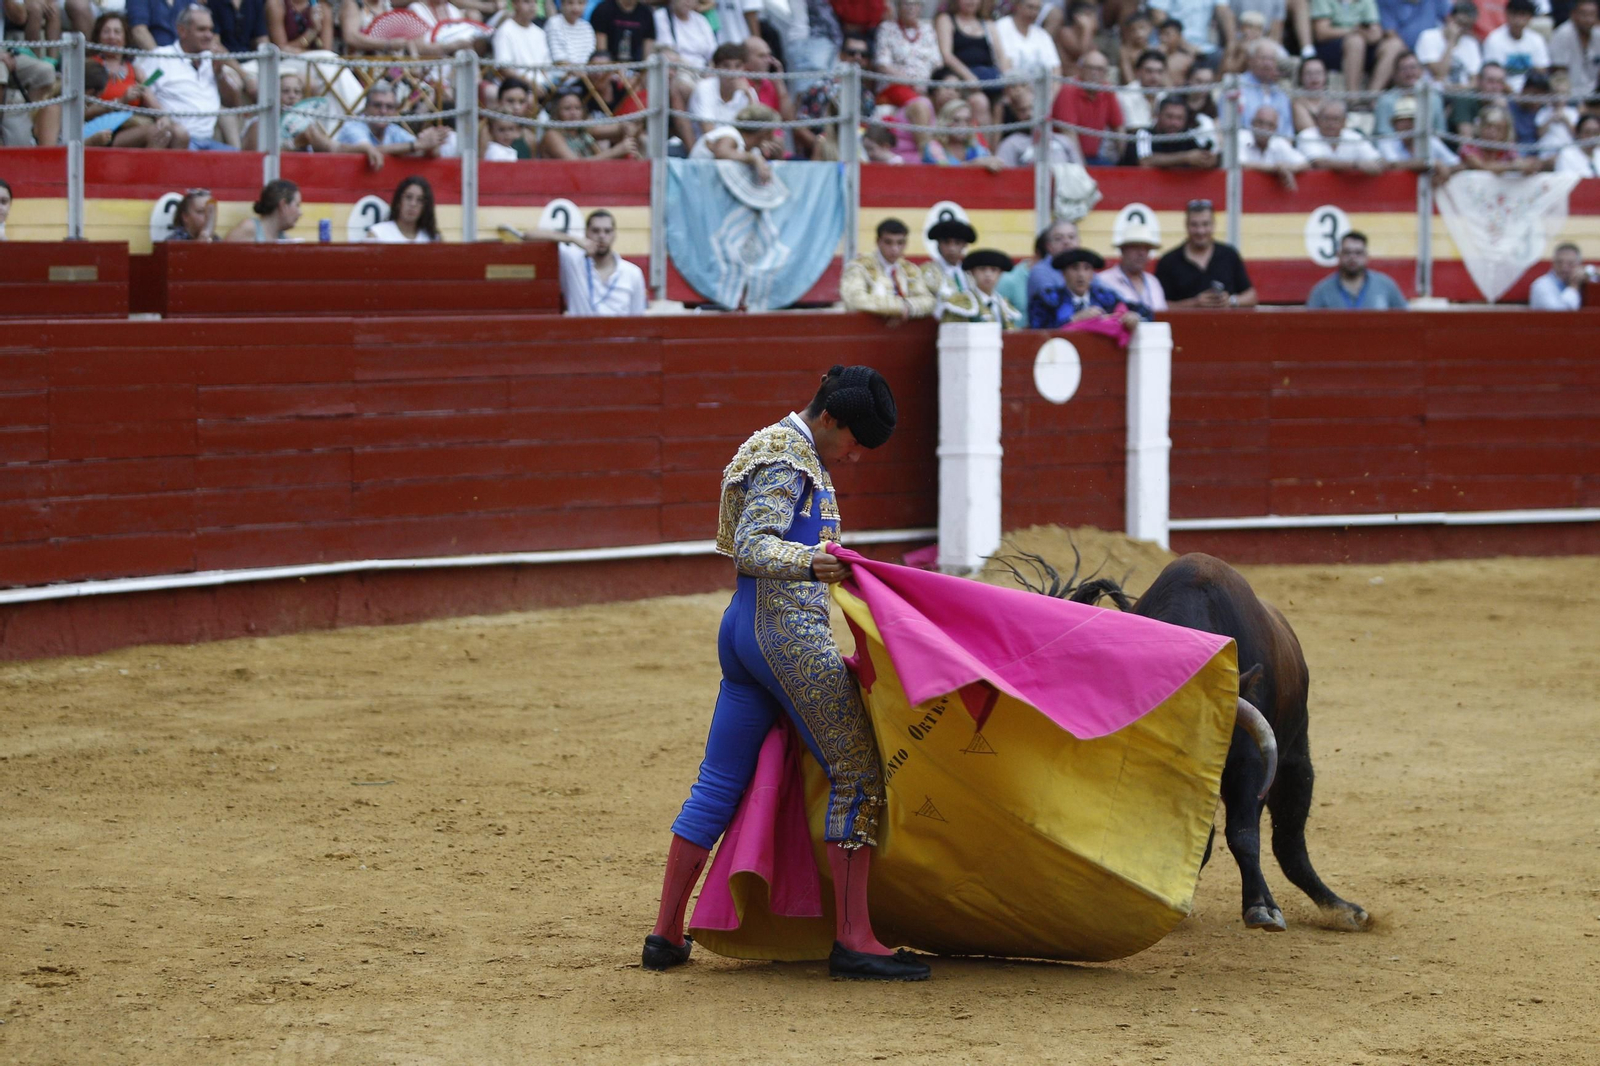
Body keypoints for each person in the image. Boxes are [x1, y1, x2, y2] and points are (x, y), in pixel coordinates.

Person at [643, 365, 927, 983]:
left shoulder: (786, 446)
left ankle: (665, 934)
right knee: (857, 773)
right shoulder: (789, 459)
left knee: (716, 784)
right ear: (829, 418)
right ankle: (854, 940)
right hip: (785, 637)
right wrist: (814, 560)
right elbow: (752, 544)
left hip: (744, 633)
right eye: (852, 441)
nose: (852, 456)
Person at [135, 4, 247, 151]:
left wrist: (219, 74)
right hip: (179, 140)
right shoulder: (162, 58)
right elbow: (143, 89)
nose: (209, 35)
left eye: (211, 30)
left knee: (240, 163)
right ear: (182, 30)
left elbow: (232, 103)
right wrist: (160, 114)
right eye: (201, 29)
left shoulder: (211, 58)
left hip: (209, 142)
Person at [1156, 198, 1257, 307]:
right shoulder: (1168, 262)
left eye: (1205, 224)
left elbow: (1251, 296)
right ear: (1186, 226)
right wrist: (1194, 303)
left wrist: (1231, 301)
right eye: (1194, 225)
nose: (1200, 231)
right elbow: (1160, 306)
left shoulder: (1229, 255)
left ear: (1213, 225)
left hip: (1225, 323)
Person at [840, 218, 938, 319]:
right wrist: (898, 308)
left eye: (900, 243)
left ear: (905, 243)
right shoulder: (858, 267)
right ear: (878, 242)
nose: (894, 249)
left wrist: (908, 307)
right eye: (888, 242)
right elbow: (854, 300)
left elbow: (929, 301)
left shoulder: (910, 270)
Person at [1030, 248, 1148, 330]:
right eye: (1074, 268)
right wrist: (1074, 319)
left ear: (1092, 274)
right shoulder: (1047, 299)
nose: (1081, 274)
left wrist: (1134, 316)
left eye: (1086, 269)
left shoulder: (1106, 297)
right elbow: (1037, 331)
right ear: (1063, 273)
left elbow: (1144, 312)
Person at [335, 82, 453, 160]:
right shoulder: (353, 126)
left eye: (389, 107)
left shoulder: (393, 130)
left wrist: (431, 145)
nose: (383, 111)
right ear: (366, 108)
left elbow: (418, 150)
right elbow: (371, 151)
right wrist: (418, 145)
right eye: (377, 105)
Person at [1310, 0, 1401, 93]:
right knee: (1355, 41)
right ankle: (1353, 97)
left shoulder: (1366, 1)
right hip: (1331, 48)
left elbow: (1376, 33)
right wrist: (1352, 31)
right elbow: (1321, 33)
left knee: (1394, 44)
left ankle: (1372, 96)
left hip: (1363, 45)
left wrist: (1368, 35)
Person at [1051, 50, 1125, 164]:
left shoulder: (1107, 90)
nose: (1095, 73)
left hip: (1093, 156)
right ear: (1080, 69)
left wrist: (1124, 162)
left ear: (1106, 73)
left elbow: (1119, 129)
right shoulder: (1068, 89)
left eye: (1100, 69)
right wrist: (1083, 171)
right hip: (1065, 157)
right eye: (1090, 68)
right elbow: (1069, 134)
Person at [1305, 230, 1408, 308]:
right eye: (1347, 252)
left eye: (1358, 253)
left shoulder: (1386, 286)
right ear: (1338, 255)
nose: (1352, 258)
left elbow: (1406, 321)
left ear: (1367, 256)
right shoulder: (1322, 291)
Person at [689, 103, 781, 182]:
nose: (773, 137)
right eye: (771, 132)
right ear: (764, 132)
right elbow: (721, 153)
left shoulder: (753, 150)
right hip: (695, 181)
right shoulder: (730, 134)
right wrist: (754, 158)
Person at [994, 84, 1084, 164]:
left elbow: (1082, 176)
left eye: (1032, 108)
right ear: (1015, 113)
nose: (1029, 114)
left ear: (1043, 107)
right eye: (1022, 110)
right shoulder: (1010, 144)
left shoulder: (1064, 142)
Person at [1122, 95, 1220, 165]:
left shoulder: (1186, 136)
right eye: (1169, 117)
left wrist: (1208, 160)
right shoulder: (1144, 133)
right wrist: (1185, 157)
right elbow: (1145, 161)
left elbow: (1204, 157)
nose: (1174, 123)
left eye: (1179, 118)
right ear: (1158, 115)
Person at [540, 90, 641, 158]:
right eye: (567, 108)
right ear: (557, 113)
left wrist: (625, 126)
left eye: (577, 108)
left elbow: (617, 129)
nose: (573, 113)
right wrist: (616, 151)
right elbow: (575, 165)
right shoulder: (552, 135)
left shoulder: (583, 129)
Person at [1378, 94, 1463, 174]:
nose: (1407, 125)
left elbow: (1455, 163)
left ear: (1420, 123)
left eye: (1412, 120)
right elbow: (1393, 165)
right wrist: (1431, 164)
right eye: (1402, 120)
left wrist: (1441, 172)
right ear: (1394, 125)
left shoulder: (1431, 141)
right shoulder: (1386, 142)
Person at [1097, 220, 1169, 312]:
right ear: (1123, 250)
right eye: (1135, 247)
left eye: (1146, 248)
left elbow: (1162, 316)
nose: (1141, 253)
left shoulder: (1153, 282)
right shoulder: (1103, 281)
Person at [1297, 98, 1385, 171]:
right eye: (1326, 118)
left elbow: (1378, 159)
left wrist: (1378, 165)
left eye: (1335, 119)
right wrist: (1356, 164)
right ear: (1317, 120)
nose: (1330, 123)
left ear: (1344, 122)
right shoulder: (1307, 135)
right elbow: (1318, 163)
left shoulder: (1354, 137)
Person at [1017, 217, 1080, 313]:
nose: (1067, 242)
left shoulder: (1085, 268)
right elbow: (1053, 304)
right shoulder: (1040, 271)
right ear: (1049, 246)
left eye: (1071, 237)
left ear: (1079, 243)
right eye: (1059, 239)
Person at [920, 216, 981, 316]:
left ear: (964, 245)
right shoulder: (928, 272)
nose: (952, 248)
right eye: (946, 242)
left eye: (957, 243)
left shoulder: (969, 274)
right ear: (938, 244)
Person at [946, 248, 1023, 325]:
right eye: (982, 269)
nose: (988, 274)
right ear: (972, 272)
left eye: (994, 270)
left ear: (1000, 273)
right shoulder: (961, 302)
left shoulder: (1004, 305)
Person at [1483, 0, 1548, 90]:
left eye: (1522, 15)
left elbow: (1541, 71)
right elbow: (1493, 75)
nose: (1518, 20)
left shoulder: (1537, 40)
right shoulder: (1494, 39)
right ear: (1507, 15)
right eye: (1514, 14)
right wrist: (1514, 95)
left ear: (1530, 18)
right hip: (1502, 92)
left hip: (1530, 94)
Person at [1240, 104, 1310, 186]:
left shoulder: (1278, 142)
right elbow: (1239, 164)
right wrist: (1275, 169)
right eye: (1260, 122)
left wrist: (1286, 168)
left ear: (1275, 129)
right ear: (1252, 123)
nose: (1264, 128)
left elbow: (1305, 163)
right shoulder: (1241, 137)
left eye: (1270, 125)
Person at [1416, 0, 1482, 84]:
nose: (1462, 29)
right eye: (1460, 23)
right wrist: (1451, 42)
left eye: (1467, 26)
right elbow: (1439, 74)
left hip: (1463, 94)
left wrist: (1456, 89)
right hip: (1435, 94)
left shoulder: (1471, 44)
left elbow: (1474, 81)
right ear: (1449, 18)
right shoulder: (1428, 37)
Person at [923, 98, 1003, 167]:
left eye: (967, 120)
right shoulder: (933, 147)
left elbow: (987, 159)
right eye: (956, 120)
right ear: (945, 122)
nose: (962, 125)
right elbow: (944, 173)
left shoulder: (973, 146)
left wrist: (994, 162)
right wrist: (972, 165)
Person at [1239, 38, 1294, 138]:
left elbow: (1287, 132)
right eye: (1263, 58)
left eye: (1271, 59)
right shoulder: (1238, 85)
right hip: (1246, 141)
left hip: (1276, 145)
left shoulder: (1281, 92)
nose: (1267, 63)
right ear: (1250, 60)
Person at [495, 0, 555, 87]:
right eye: (527, 2)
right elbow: (504, 68)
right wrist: (531, 85)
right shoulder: (505, 31)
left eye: (535, 2)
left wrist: (547, 88)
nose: (532, 6)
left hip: (542, 88)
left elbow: (546, 68)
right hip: (516, 88)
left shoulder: (540, 33)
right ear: (514, 4)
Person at [993, 0, 1061, 76]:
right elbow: (1004, 65)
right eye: (1030, 7)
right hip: (1012, 83)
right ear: (1018, 6)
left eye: (1037, 9)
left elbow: (1055, 68)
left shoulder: (1043, 35)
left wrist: (1053, 87)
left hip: (1042, 85)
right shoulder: (1000, 27)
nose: (1034, 12)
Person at [224, 178, 302, 242]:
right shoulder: (249, 228)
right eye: (297, 205)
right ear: (283, 205)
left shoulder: (284, 238)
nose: (300, 213)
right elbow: (222, 256)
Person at [1549, 0, 1599, 97]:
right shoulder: (1562, 34)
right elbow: (1559, 75)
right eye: (1584, 14)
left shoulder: (1598, 35)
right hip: (1569, 96)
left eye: (1592, 14)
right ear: (1573, 15)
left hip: (1595, 96)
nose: (1588, 19)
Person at [367, 175, 440, 242]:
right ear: (398, 201)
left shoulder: (432, 239)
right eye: (408, 197)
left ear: (425, 206)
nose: (413, 204)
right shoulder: (377, 234)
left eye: (420, 200)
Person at [1118, 49, 1171, 131]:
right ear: (1138, 72)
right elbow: (1133, 130)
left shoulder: (1165, 96)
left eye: (1159, 72)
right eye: (1149, 71)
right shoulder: (1125, 96)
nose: (1154, 77)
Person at [590, 0, 656, 62]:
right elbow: (601, 52)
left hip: (637, 67)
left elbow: (648, 52)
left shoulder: (646, 13)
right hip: (608, 67)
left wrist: (644, 72)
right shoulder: (603, 9)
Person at [1528, 242, 1588, 308]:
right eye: (1559, 263)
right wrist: (1573, 286)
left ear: (1579, 265)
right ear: (1553, 263)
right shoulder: (1541, 285)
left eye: (1570, 264)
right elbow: (1559, 312)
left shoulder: (1581, 276)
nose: (1564, 267)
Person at [267, 0, 337, 53]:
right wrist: (312, 31)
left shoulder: (322, 7)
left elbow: (326, 50)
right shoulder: (277, 4)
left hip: (314, 60)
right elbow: (281, 50)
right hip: (286, 62)